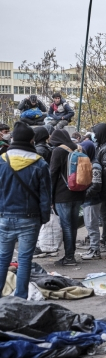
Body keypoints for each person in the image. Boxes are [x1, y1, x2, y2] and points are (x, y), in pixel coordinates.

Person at [0, 122, 51, 298]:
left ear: (13, 139)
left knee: (2, 259)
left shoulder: (2, 161)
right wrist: (44, 218)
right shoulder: (40, 164)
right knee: (24, 260)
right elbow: (45, 195)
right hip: (30, 218)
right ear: (31, 141)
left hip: (5, 217)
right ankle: (20, 297)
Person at [49, 129, 87, 265]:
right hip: (78, 192)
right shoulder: (79, 147)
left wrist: (50, 197)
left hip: (62, 193)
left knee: (66, 225)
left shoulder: (58, 151)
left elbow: (52, 174)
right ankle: (71, 255)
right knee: (72, 226)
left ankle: (69, 257)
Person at [92, 123, 106, 252]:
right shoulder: (100, 146)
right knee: (101, 214)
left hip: (104, 185)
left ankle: (105, 240)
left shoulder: (105, 148)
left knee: (104, 214)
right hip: (101, 183)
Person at [79, 140, 103, 260]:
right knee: (89, 225)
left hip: (92, 200)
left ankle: (95, 250)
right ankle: (93, 248)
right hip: (88, 200)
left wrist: (84, 195)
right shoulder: (89, 163)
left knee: (92, 225)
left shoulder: (95, 165)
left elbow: (96, 185)